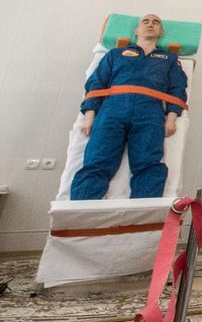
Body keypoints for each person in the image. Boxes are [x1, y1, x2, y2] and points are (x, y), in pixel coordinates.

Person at [71, 14, 188, 200]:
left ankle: (142, 223)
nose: (150, 24)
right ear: (136, 30)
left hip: (150, 113)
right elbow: (96, 84)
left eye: (156, 22)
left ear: (161, 32)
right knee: (97, 162)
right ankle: (78, 219)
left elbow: (178, 89)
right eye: (145, 22)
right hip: (112, 110)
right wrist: (89, 115)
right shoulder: (115, 54)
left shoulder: (169, 59)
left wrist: (171, 117)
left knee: (148, 165)